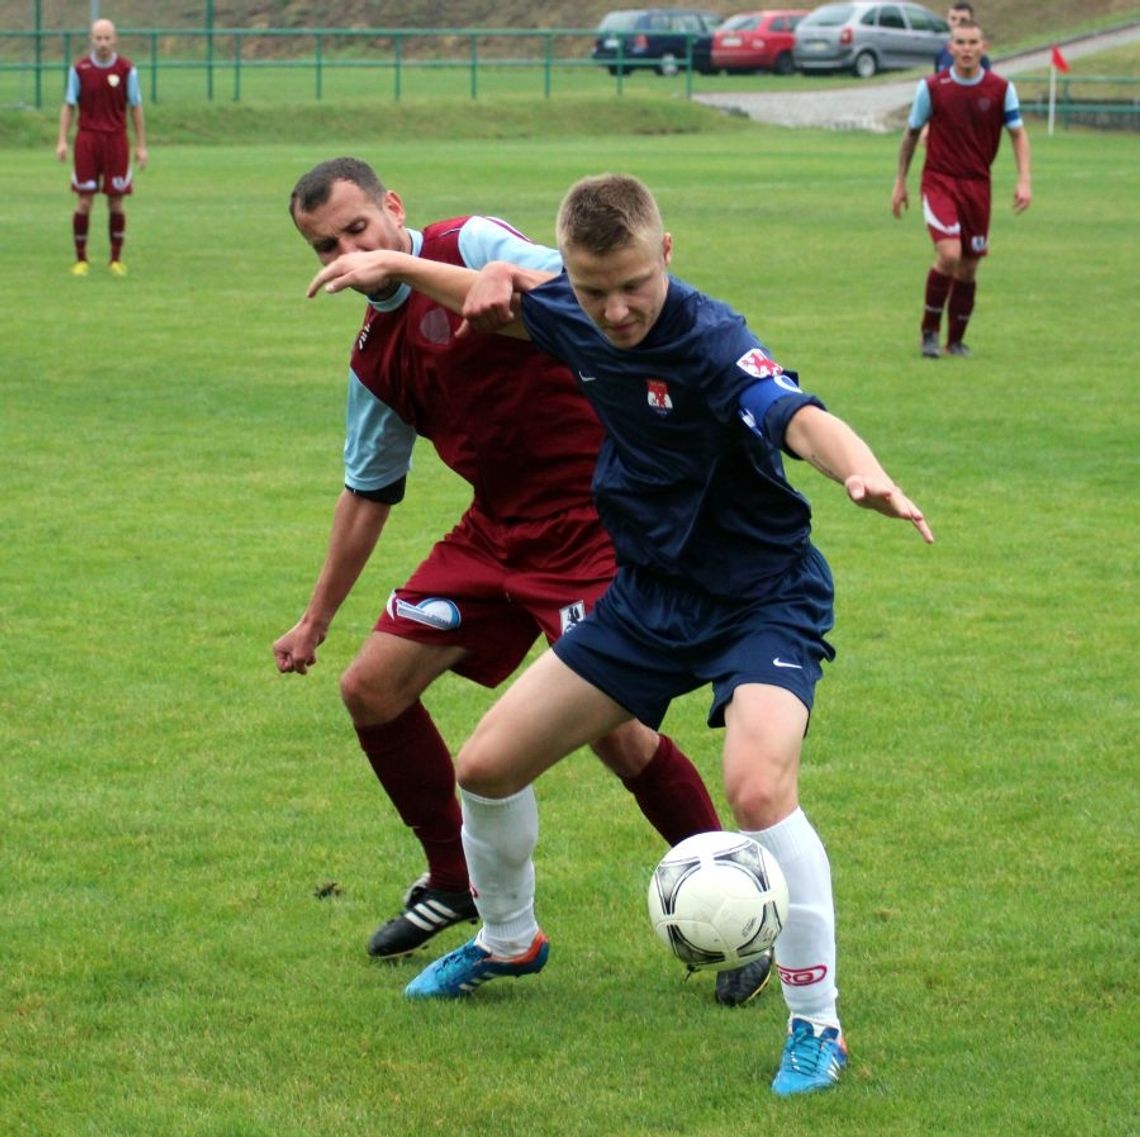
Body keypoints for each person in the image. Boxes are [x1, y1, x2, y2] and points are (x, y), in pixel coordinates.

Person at [306, 172, 934, 1096]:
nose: (618, 310)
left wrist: (861, 472)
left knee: (757, 788)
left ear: (665, 253)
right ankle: (509, 939)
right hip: (644, 599)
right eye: (595, 289)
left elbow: (797, 417)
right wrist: (401, 266)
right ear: (569, 274)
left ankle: (816, 1022)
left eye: (634, 284)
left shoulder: (710, 338)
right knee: (486, 766)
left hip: (759, 598)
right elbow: (494, 298)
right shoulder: (577, 313)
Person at [277, 157, 772, 1008]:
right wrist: (314, 620)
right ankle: (456, 881)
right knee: (371, 688)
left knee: (618, 735)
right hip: (495, 530)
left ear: (393, 207)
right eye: (325, 245)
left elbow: (576, 289)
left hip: (593, 524)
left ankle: (740, 903)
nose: (346, 252)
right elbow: (367, 491)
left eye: (358, 229)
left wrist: (459, 270)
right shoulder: (375, 359)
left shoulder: (467, 242)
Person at [892, 18, 1031, 359]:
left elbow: (1018, 134)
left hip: (978, 185)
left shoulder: (1001, 89)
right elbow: (911, 135)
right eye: (961, 43)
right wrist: (900, 182)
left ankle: (955, 342)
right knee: (949, 254)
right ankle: (929, 333)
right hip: (940, 181)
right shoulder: (932, 88)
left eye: (972, 43)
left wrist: (1024, 179)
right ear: (950, 48)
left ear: (983, 48)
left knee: (969, 266)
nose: (967, 49)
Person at [56, 18, 147, 278]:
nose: (103, 43)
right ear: (91, 39)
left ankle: (115, 260)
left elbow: (135, 107)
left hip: (116, 140)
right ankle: (81, 260)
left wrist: (141, 146)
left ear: (114, 39)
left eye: (107, 38)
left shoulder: (127, 69)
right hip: (87, 140)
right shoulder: (80, 69)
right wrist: (62, 140)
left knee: (116, 202)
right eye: (98, 38)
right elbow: (69, 105)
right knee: (84, 201)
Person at [933, 3, 990, 71]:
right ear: (947, 20)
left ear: (971, 21)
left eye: (963, 20)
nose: (957, 23)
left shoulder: (979, 56)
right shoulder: (941, 54)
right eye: (953, 19)